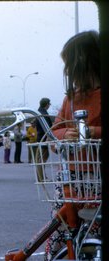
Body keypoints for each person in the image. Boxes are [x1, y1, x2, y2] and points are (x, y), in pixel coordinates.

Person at [45, 30, 101, 261]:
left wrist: (90, 132)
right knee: (62, 229)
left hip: (97, 177)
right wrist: (63, 136)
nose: (67, 71)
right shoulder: (71, 97)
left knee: (93, 232)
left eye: (70, 64)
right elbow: (55, 131)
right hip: (70, 177)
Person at [35, 97, 53, 181]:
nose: (49, 105)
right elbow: (46, 127)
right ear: (47, 104)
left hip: (41, 137)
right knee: (42, 159)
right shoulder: (43, 114)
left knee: (41, 158)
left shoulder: (39, 112)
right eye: (49, 104)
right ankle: (41, 177)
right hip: (43, 138)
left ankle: (41, 176)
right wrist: (49, 137)